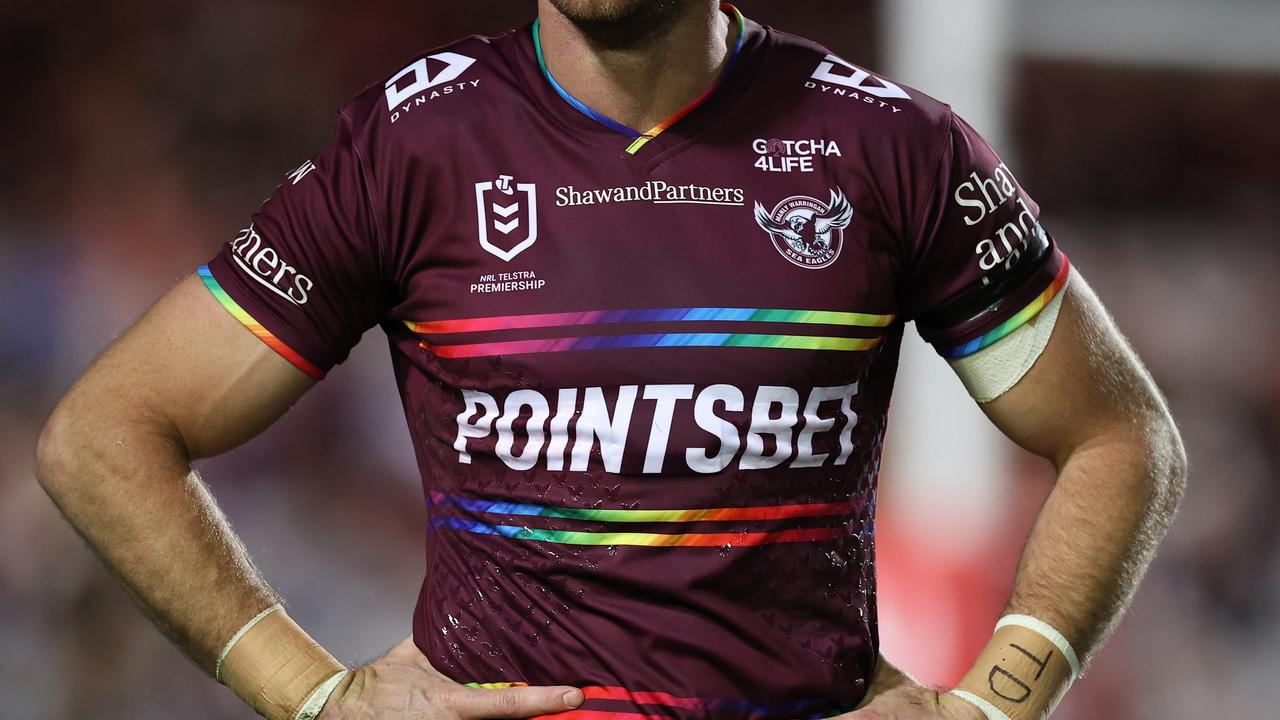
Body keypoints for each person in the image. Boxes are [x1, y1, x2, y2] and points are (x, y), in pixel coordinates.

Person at [34, 1, 1188, 719]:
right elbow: (106, 434)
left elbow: (1118, 436)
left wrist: (994, 702)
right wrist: (311, 695)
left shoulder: (888, 147)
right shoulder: (415, 144)